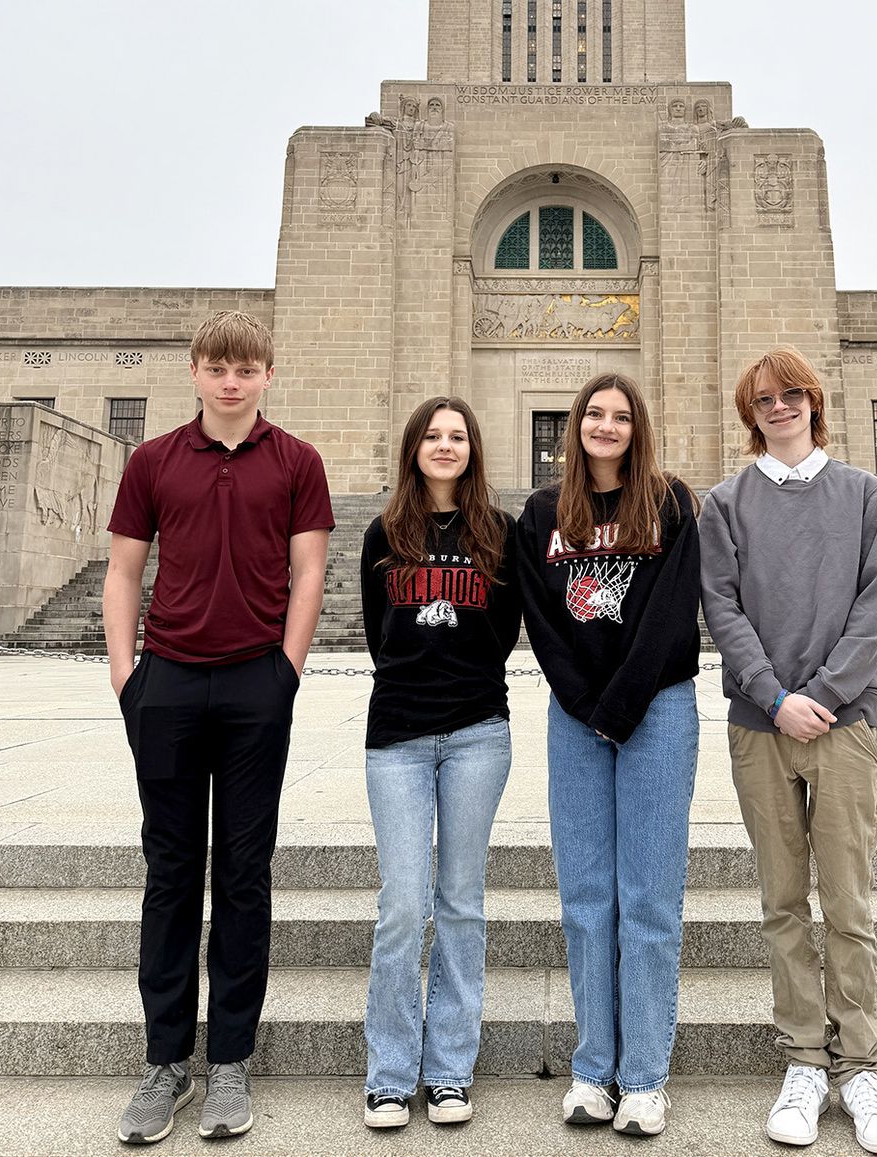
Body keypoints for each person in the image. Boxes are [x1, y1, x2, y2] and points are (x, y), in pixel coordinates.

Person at [103, 311, 333, 1145]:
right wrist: (129, 679)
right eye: (217, 368)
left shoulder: (297, 461)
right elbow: (125, 572)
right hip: (165, 683)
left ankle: (230, 1059)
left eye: (246, 368)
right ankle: (164, 1061)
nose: (231, 381)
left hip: (253, 684)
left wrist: (287, 671)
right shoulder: (153, 460)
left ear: (268, 374)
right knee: (170, 871)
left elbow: (310, 570)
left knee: (243, 868)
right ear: (195, 372)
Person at [698, 348, 877, 1155]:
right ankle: (802, 1062)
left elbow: (876, 604)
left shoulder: (865, 494)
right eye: (763, 399)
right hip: (760, 727)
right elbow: (721, 605)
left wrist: (819, 692)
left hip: (846, 724)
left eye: (792, 395)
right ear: (748, 413)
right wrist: (774, 696)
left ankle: (860, 1067)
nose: (779, 407)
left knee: (848, 904)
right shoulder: (726, 503)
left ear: (814, 403)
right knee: (782, 900)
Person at [518, 371, 700, 1138]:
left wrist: (620, 703)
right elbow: (542, 620)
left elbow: (670, 610)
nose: (605, 425)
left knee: (649, 900)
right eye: (594, 413)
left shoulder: (670, 502)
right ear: (574, 425)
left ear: (638, 427)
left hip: (656, 709)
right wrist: (588, 704)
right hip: (575, 715)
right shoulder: (539, 514)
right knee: (587, 899)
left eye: (620, 416)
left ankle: (647, 1077)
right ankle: (594, 1070)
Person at [360, 396, 521, 1130]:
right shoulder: (383, 532)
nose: (446, 445)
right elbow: (377, 631)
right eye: (434, 434)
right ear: (414, 447)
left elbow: (507, 631)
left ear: (474, 448)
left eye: (458, 435)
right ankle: (390, 1075)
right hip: (397, 735)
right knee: (402, 902)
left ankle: (450, 1071)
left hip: (478, 734)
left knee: (460, 899)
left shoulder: (501, 534)